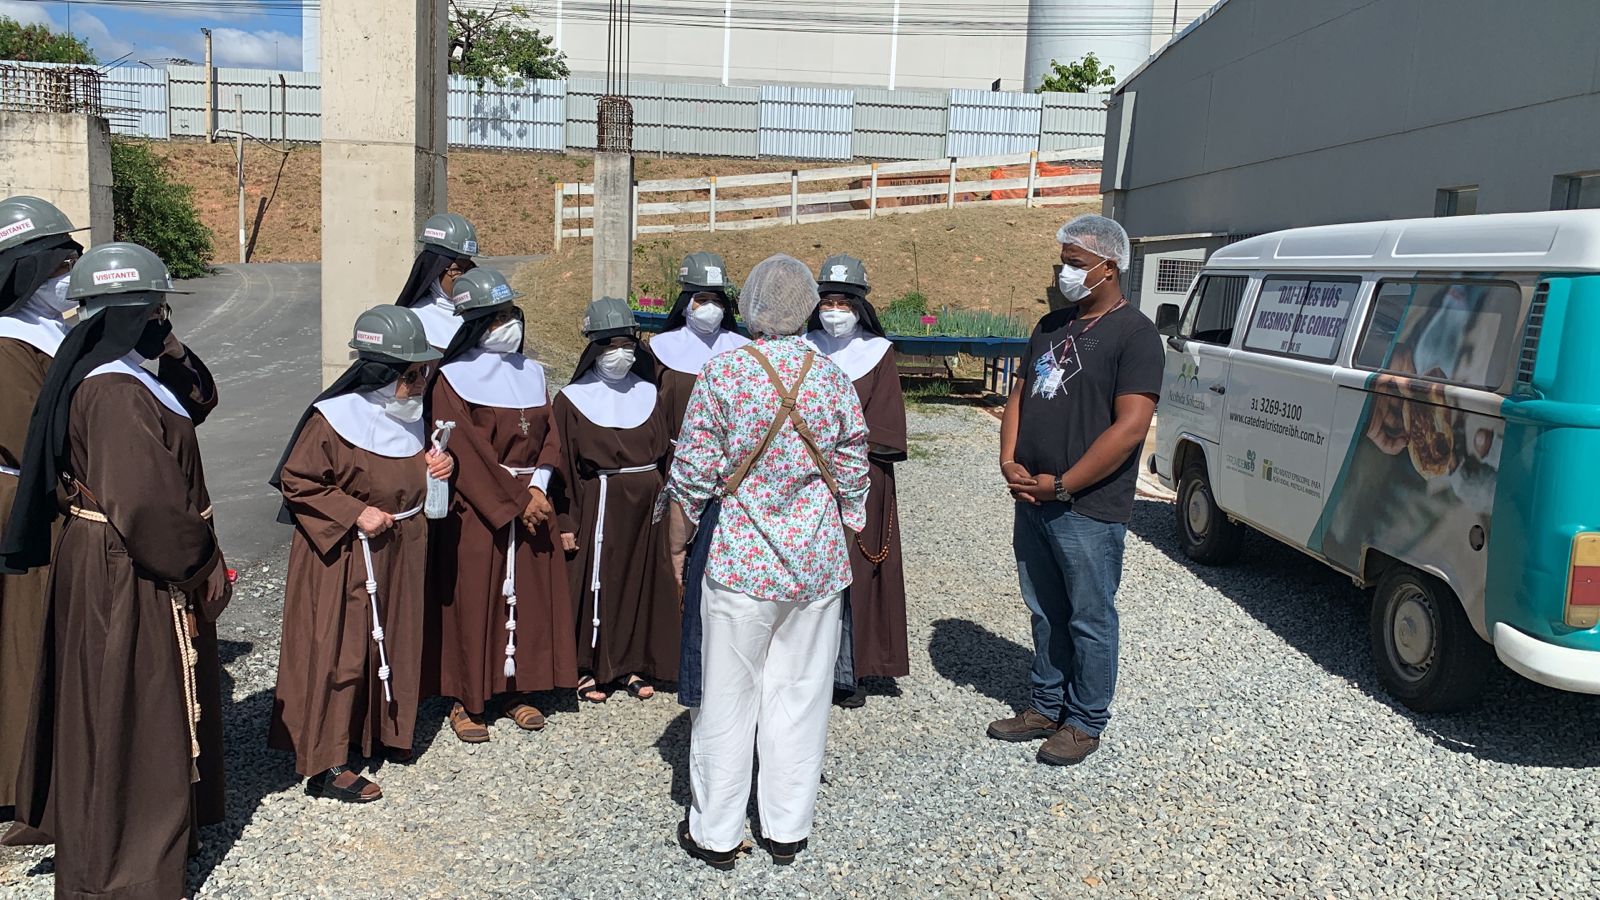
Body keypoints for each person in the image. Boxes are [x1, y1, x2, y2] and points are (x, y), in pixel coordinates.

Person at [0, 243, 230, 899]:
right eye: (158, 309)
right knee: (127, 710)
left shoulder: (119, 370)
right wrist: (201, 561)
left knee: (120, 706)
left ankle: (129, 845)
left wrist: (173, 347)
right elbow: (146, 505)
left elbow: (195, 403)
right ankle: (123, 871)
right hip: (124, 571)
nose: (165, 320)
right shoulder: (115, 393)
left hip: (112, 560)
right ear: (140, 313)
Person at [667, 255, 871, 869]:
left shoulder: (725, 372)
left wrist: (678, 544)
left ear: (749, 305)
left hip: (741, 561)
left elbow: (693, 474)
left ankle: (718, 832)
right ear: (810, 305)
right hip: (815, 562)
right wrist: (851, 521)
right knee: (801, 695)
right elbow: (853, 467)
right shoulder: (832, 377)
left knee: (728, 697)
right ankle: (787, 826)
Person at [988, 214, 1162, 766]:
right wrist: (1008, 459)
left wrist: (1064, 485)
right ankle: (1045, 704)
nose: (1064, 272)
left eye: (1076, 263)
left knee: (1089, 615)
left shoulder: (1135, 335)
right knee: (1044, 608)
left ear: (1108, 268)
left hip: (1086, 506)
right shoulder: (1050, 325)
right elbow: (1019, 394)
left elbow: (1130, 426)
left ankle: (1085, 719)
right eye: (1062, 260)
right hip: (1033, 496)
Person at [268, 305, 454, 802]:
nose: (421, 382)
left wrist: (437, 467)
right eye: (413, 374)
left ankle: (382, 732)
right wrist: (353, 512)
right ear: (380, 372)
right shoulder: (334, 420)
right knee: (342, 651)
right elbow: (298, 480)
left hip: (403, 547)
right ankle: (327, 762)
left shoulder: (410, 412)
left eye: (425, 372)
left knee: (394, 641)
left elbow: (407, 466)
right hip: (348, 557)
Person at [424, 268, 577, 741]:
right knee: (474, 598)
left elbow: (551, 437)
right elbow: (465, 450)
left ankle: (519, 688)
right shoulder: (450, 378)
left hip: (532, 499)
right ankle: (467, 698)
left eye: (513, 314)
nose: (511, 323)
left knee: (528, 597)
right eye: (499, 317)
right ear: (476, 323)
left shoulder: (532, 373)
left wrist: (540, 487)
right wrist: (515, 500)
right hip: (479, 509)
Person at [0, 196, 84, 819]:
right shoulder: (7, 344)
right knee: (27, 642)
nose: (69, 275)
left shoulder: (55, 331)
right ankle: (26, 783)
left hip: (62, 501)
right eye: (59, 263)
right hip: (29, 508)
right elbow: (34, 437)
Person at [552, 298, 678, 703]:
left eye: (627, 343)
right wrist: (566, 523)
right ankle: (587, 666)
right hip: (599, 505)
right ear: (593, 349)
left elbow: (667, 453)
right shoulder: (572, 399)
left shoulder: (649, 392)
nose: (620, 353)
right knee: (596, 584)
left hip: (648, 508)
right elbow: (563, 467)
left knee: (640, 582)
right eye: (609, 345)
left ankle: (634, 665)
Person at [804, 254, 910, 708]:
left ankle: (851, 670)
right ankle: (807, 666)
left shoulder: (877, 354)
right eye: (826, 301)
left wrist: (846, 463)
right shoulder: (801, 348)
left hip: (863, 477)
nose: (834, 311)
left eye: (844, 303)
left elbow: (885, 425)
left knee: (857, 572)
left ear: (860, 306)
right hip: (805, 477)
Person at [651, 252, 749, 586]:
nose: (710, 308)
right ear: (686, 303)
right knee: (670, 553)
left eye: (717, 300)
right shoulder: (660, 348)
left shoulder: (742, 349)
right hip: (672, 463)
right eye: (701, 299)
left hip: (730, 472)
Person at [395, 212, 480, 350]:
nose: (465, 277)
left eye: (469, 268)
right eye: (457, 269)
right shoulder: (413, 321)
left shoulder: (480, 314)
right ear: (435, 270)